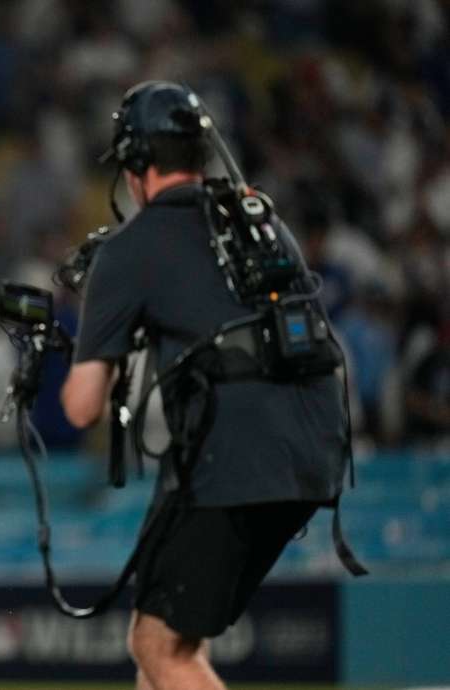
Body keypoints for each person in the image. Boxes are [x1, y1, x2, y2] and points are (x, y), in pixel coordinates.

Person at [59, 81, 351, 690]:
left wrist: (61, 349)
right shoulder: (260, 221)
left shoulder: (129, 249)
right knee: (164, 629)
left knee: (157, 645)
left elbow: (82, 407)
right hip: (316, 446)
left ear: (137, 165)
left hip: (234, 452)